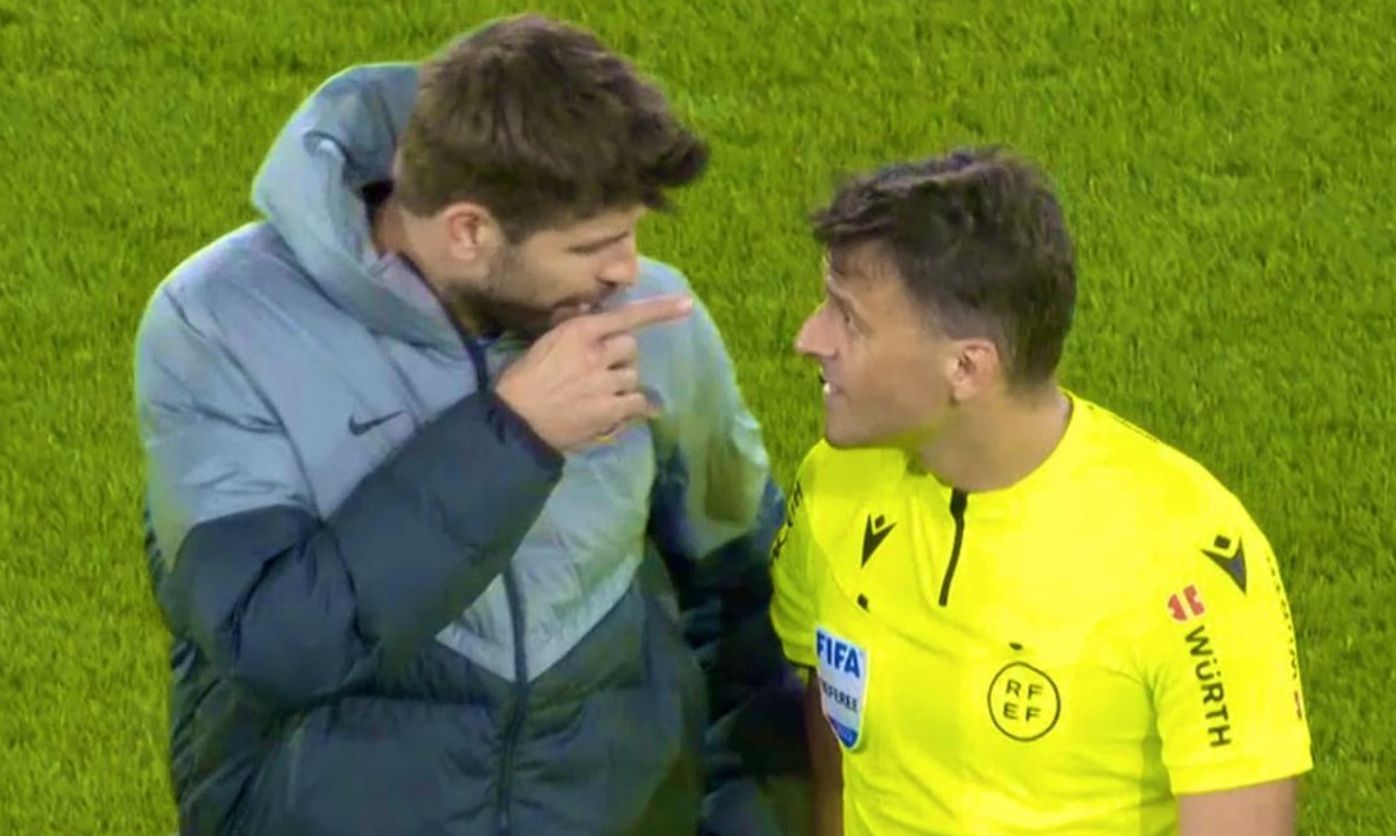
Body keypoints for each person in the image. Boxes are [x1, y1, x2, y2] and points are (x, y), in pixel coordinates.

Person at [134, 14, 792, 835]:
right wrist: (512, 435)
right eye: (596, 244)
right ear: (470, 232)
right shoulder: (222, 324)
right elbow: (277, 645)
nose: (626, 270)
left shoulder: (644, 317)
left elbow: (751, 608)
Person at [769, 147, 1313, 835]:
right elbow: (833, 746)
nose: (808, 338)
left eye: (848, 318)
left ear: (967, 367)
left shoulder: (1186, 559)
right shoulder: (835, 483)